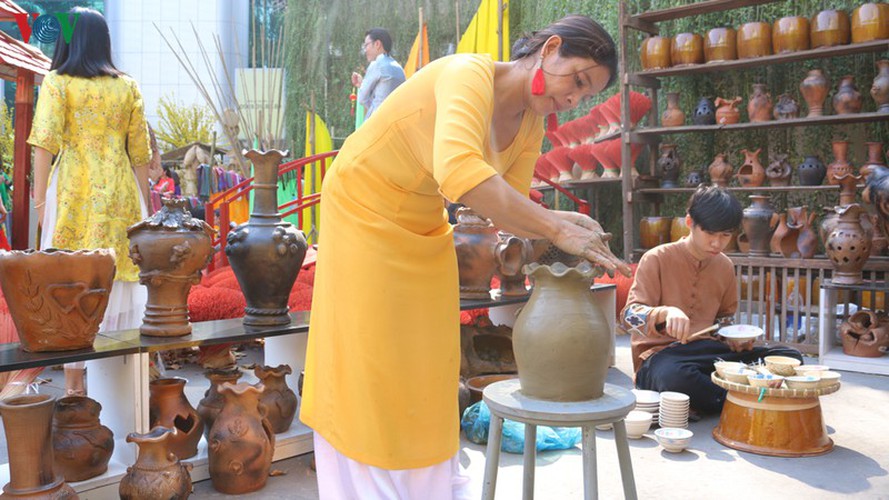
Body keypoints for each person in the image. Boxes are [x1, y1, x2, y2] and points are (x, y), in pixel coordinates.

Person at [301, 15, 628, 498]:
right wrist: (555, 225)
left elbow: (507, 207)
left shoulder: (531, 121)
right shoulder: (468, 74)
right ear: (550, 48)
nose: (574, 99)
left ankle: (426, 482)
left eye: (586, 94)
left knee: (432, 359)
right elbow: (460, 174)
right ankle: (367, 481)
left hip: (422, 221)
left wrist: (567, 223)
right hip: (362, 208)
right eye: (577, 81)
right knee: (371, 356)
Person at [28, 7, 152, 395]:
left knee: (70, 282)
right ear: (102, 41)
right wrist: (146, 212)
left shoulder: (57, 83)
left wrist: (39, 205)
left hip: (72, 194)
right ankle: (119, 387)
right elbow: (141, 155)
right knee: (118, 280)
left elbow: (43, 146)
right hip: (121, 195)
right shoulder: (127, 86)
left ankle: (73, 390)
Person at [621, 186, 802, 415]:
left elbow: (723, 321)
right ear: (690, 222)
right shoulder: (656, 258)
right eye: (710, 234)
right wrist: (665, 313)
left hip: (708, 353)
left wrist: (734, 340)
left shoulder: (724, 266)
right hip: (662, 357)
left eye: (725, 235)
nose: (717, 243)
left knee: (789, 358)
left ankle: (725, 396)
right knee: (675, 377)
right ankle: (743, 397)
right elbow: (628, 318)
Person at [351, 28, 406, 120]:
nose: (365, 50)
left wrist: (362, 87)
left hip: (378, 121)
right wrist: (362, 84)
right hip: (395, 120)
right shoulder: (399, 68)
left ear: (377, 44)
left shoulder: (376, 64)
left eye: (366, 45)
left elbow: (362, 99)